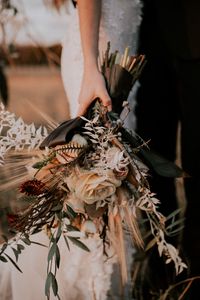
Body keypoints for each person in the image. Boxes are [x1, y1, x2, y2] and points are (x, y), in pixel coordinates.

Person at [0, 1, 142, 299]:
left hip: (114, 56)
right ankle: (91, 286)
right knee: (95, 178)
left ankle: (99, 282)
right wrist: (91, 69)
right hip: (98, 62)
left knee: (102, 178)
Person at [134, 0, 200, 298]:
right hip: (141, 36)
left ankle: (195, 272)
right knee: (149, 161)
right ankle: (160, 269)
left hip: (193, 31)